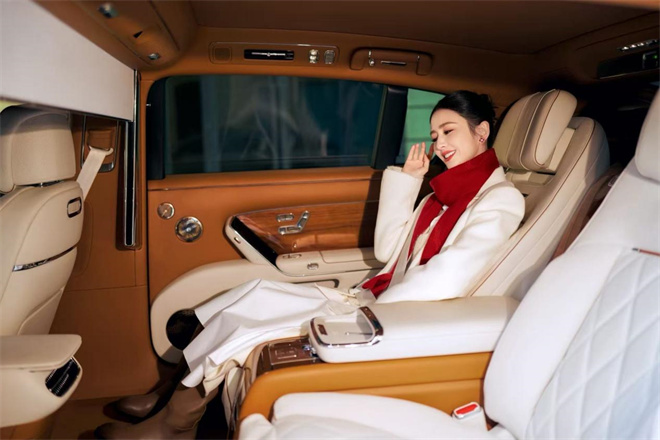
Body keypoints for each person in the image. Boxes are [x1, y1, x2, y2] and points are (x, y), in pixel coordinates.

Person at [95, 91, 525, 439]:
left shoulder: (499, 199)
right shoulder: (440, 195)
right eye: (434, 136)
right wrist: (410, 181)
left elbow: (448, 277)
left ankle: (174, 425)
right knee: (254, 293)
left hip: (391, 313)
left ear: (481, 132)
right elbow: (387, 250)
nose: (439, 145)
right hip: (372, 296)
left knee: (251, 324)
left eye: (448, 131)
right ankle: (168, 394)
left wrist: (371, 313)